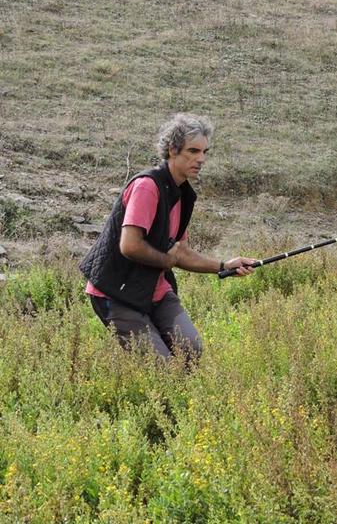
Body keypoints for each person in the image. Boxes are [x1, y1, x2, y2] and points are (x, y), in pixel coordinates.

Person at [79, 113, 257, 363]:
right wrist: (166, 261)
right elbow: (130, 245)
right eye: (193, 151)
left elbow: (179, 252)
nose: (201, 159)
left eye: (205, 152)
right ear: (172, 150)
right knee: (161, 367)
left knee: (191, 349)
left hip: (154, 289)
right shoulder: (147, 186)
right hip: (115, 292)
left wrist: (224, 266)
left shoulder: (182, 194)